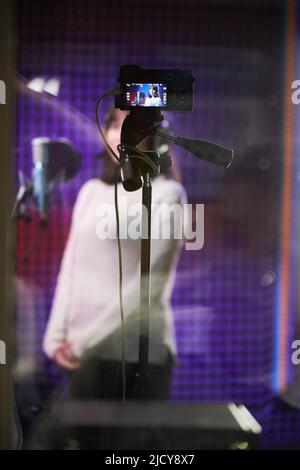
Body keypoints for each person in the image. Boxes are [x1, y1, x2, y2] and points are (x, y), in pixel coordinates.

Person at [43, 109, 187, 401]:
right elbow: (70, 269)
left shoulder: (167, 194)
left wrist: (83, 343)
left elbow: (148, 285)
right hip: (80, 354)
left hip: (137, 355)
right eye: (114, 125)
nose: (119, 134)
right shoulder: (91, 192)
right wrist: (55, 338)